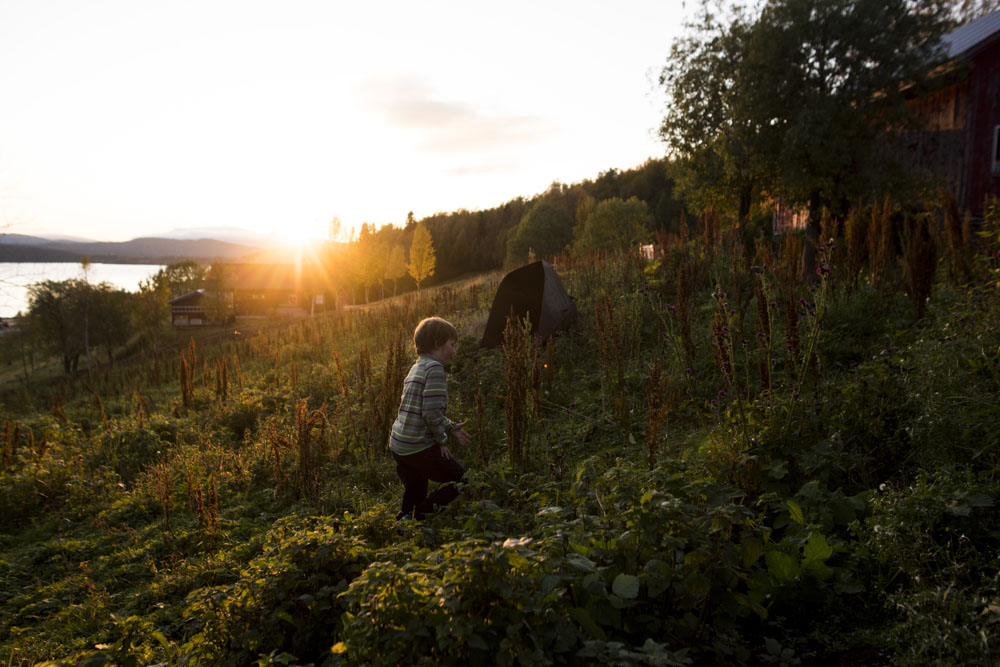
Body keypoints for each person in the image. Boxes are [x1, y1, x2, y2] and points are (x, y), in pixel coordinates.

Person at [389, 316, 472, 520]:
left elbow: (420, 410)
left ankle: (405, 518)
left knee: (416, 485)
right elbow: (431, 413)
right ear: (437, 344)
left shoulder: (417, 366)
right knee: (462, 480)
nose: (454, 351)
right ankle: (421, 515)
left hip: (400, 445)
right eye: (452, 345)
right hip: (418, 446)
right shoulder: (435, 369)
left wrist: (450, 427)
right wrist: (441, 440)